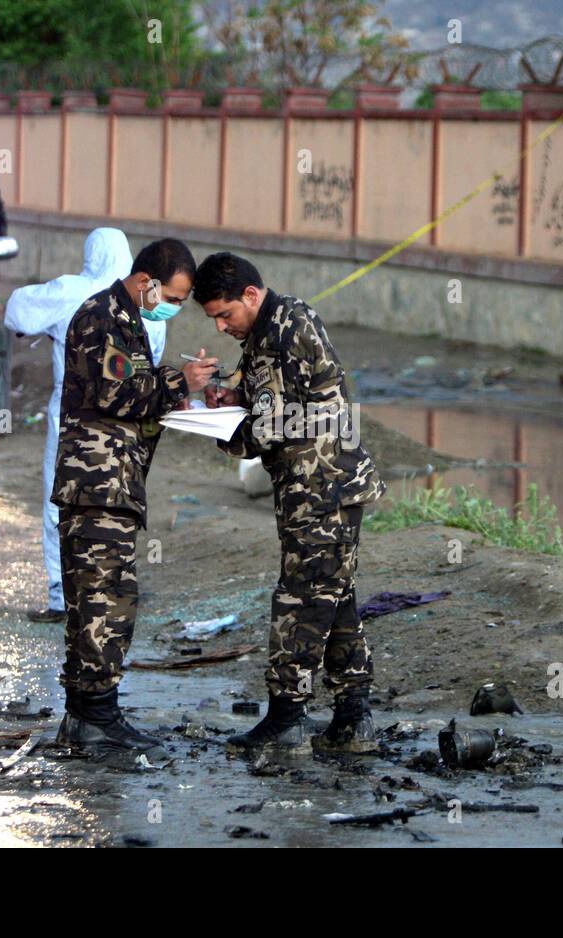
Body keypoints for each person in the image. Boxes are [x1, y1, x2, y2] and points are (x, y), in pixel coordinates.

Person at [192, 252, 386, 754]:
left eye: (225, 313)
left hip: (322, 492)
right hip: (321, 490)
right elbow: (265, 399)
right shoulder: (269, 328)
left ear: (251, 296)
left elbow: (271, 427)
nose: (220, 326)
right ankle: (353, 720)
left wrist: (219, 428)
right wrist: (227, 398)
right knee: (334, 600)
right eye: (212, 317)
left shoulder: (283, 331)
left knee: (299, 601)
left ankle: (286, 721)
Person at [52, 238, 217, 756]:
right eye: (173, 296)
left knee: (95, 603)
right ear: (147, 282)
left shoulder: (128, 320)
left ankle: (88, 717)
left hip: (113, 482)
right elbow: (116, 394)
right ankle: (95, 717)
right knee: (105, 602)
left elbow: (136, 395)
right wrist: (178, 381)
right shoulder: (102, 316)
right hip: (97, 482)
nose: (175, 306)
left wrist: (186, 396)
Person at [3, 228, 166, 624]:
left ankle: (63, 597)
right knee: (118, 502)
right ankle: (112, 589)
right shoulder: (149, 301)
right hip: (131, 414)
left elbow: (17, 312)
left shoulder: (72, 292)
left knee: (60, 501)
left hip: (75, 415)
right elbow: (156, 362)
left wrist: (45, 327)